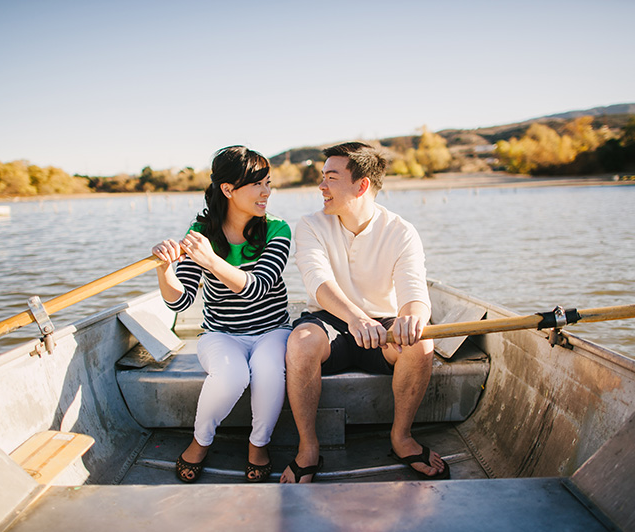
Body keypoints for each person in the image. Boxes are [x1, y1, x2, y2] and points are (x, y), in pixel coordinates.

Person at [280, 141, 449, 483]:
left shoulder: (401, 231)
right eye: (322, 178)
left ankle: (401, 438)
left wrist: (412, 318)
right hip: (331, 320)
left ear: (362, 185)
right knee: (300, 342)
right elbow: (319, 284)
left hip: (383, 328)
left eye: (330, 178)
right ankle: (308, 448)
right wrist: (356, 319)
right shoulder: (311, 224)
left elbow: (414, 292)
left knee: (422, 344)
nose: (321, 186)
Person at [152, 146, 291, 483]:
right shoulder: (201, 232)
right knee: (232, 377)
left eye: (268, 183)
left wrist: (211, 260)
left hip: (272, 330)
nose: (266, 193)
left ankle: (258, 445)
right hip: (221, 334)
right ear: (228, 190)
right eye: (257, 184)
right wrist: (165, 269)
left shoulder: (278, 229)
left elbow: (257, 287)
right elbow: (180, 302)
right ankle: (200, 442)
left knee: (269, 371)